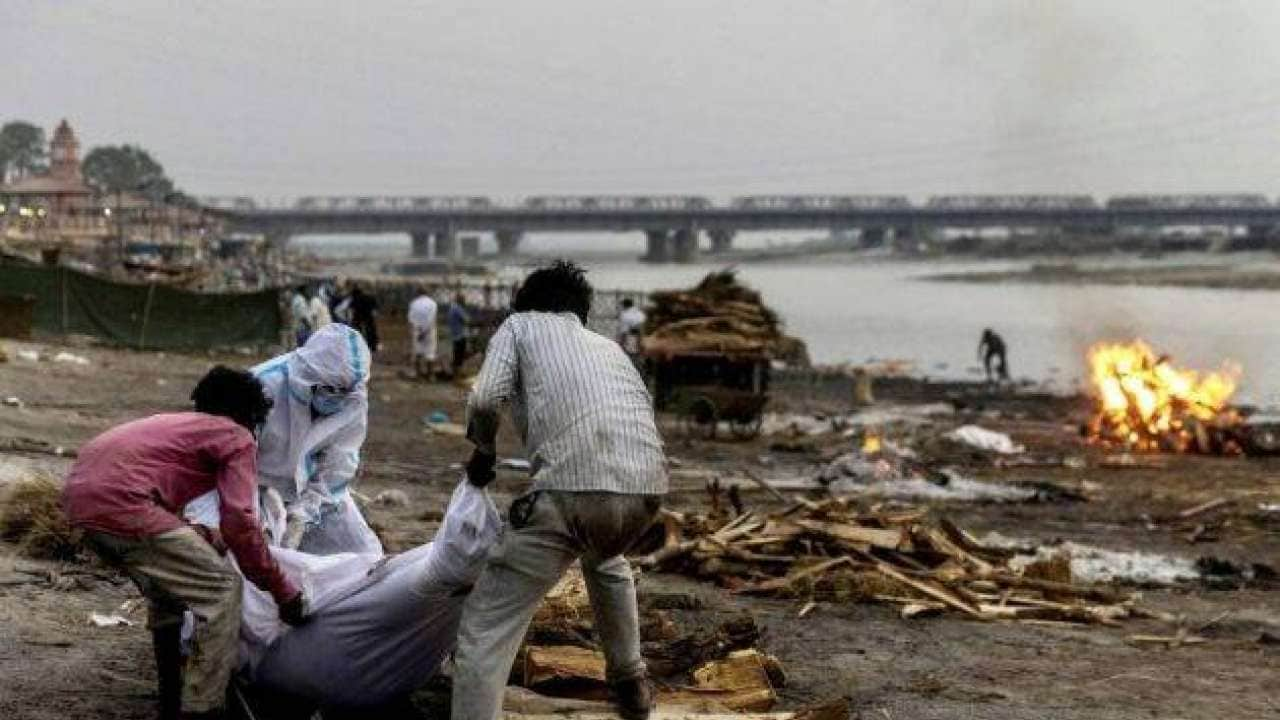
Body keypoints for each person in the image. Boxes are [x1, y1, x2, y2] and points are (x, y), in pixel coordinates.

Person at [453, 260, 667, 720]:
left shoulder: (520, 326)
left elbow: (486, 398)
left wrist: (483, 452)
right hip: (645, 493)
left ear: (526, 303)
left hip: (571, 492)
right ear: (581, 313)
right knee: (605, 558)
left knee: (485, 630)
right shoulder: (609, 348)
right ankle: (630, 678)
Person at [62, 366, 306, 720]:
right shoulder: (236, 435)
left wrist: (203, 535)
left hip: (80, 502)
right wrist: (284, 591)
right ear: (251, 415)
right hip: (124, 505)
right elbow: (240, 522)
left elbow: (164, 504)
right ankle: (202, 708)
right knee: (222, 590)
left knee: (168, 592)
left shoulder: (173, 426)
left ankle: (170, 701)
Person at [253, 323, 382, 555]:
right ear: (308, 375)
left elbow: (338, 466)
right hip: (255, 488)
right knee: (258, 560)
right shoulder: (262, 386)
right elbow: (233, 456)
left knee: (363, 555)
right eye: (330, 389)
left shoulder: (353, 400)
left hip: (313, 495)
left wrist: (303, 515)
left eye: (345, 390)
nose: (337, 397)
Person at [408, 287, 439, 380]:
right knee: (430, 353)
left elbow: (411, 319)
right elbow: (432, 318)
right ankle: (430, 375)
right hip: (429, 330)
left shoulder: (413, 303)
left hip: (417, 330)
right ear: (427, 292)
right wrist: (425, 330)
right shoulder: (433, 303)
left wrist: (418, 331)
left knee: (417, 352)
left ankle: (418, 374)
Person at [348, 282, 380, 352]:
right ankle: (373, 346)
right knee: (371, 331)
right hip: (368, 316)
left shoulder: (354, 298)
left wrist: (351, 318)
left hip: (358, 317)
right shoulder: (370, 297)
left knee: (357, 332)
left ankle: (358, 346)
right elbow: (375, 310)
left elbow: (351, 309)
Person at [447, 292, 470, 376]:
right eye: (463, 299)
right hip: (460, 334)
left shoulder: (452, 308)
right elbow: (466, 320)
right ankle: (458, 373)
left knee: (457, 354)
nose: (465, 301)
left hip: (454, 334)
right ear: (460, 300)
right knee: (460, 355)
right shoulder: (458, 309)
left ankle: (456, 372)